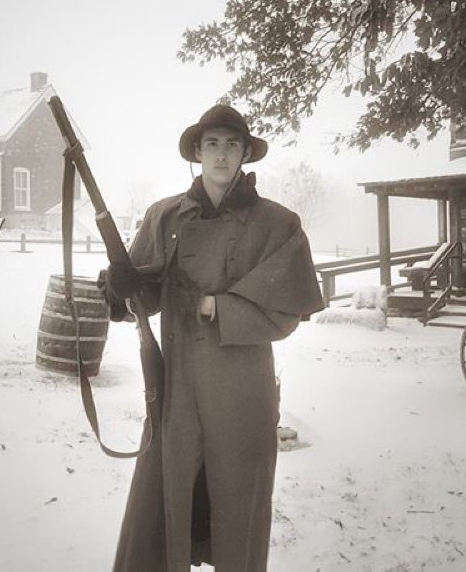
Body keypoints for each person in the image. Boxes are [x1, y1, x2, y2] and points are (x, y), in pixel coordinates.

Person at [100, 104, 324, 571]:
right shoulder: (164, 217)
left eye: (232, 145)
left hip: (243, 392)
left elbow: (287, 311)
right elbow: (140, 300)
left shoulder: (278, 224)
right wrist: (121, 288)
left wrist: (216, 306)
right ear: (197, 153)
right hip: (176, 389)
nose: (222, 155)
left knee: (239, 508)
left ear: (245, 154)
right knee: (164, 507)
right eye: (212, 145)